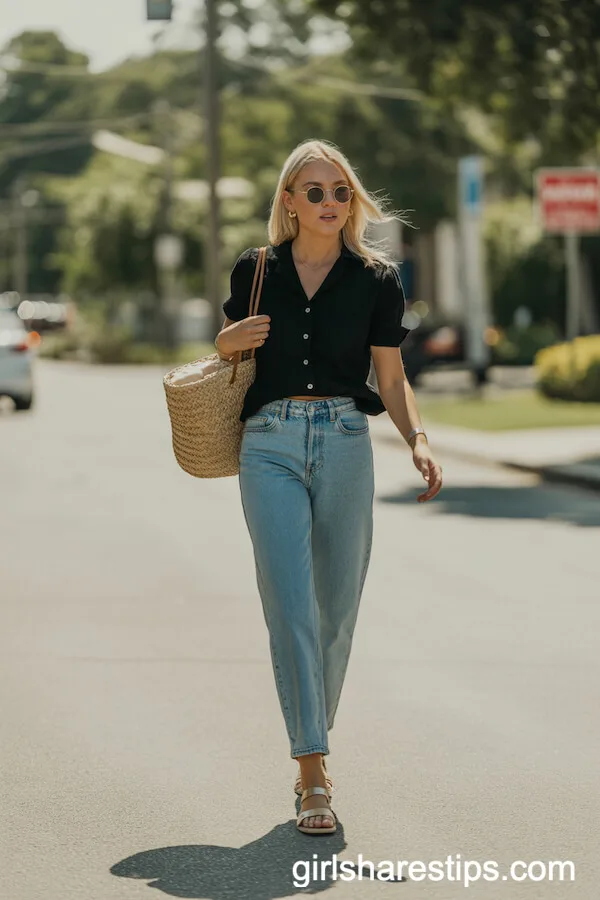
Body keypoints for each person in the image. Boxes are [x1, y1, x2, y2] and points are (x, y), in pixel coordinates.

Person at [214, 139, 443, 835]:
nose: (330, 203)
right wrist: (227, 344)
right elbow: (225, 344)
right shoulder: (257, 270)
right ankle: (312, 770)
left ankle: (313, 734)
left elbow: (391, 375)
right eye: (313, 191)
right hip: (270, 446)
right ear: (288, 201)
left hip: (346, 443)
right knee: (290, 608)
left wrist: (418, 439)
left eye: (340, 191)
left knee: (336, 613)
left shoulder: (376, 278)